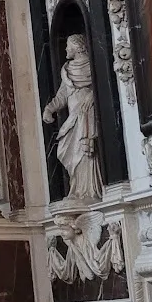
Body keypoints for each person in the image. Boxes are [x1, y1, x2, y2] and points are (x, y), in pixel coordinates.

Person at [42, 34, 102, 202]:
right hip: (73, 118)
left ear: (77, 47)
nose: (66, 49)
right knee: (66, 149)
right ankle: (77, 189)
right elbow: (63, 95)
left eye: (68, 46)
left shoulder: (93, 65)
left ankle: (90, 191)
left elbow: (103, 85)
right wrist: (50, 108)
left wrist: (92, 95)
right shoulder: (67, 69)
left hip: (86, 116)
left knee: (86, 152)